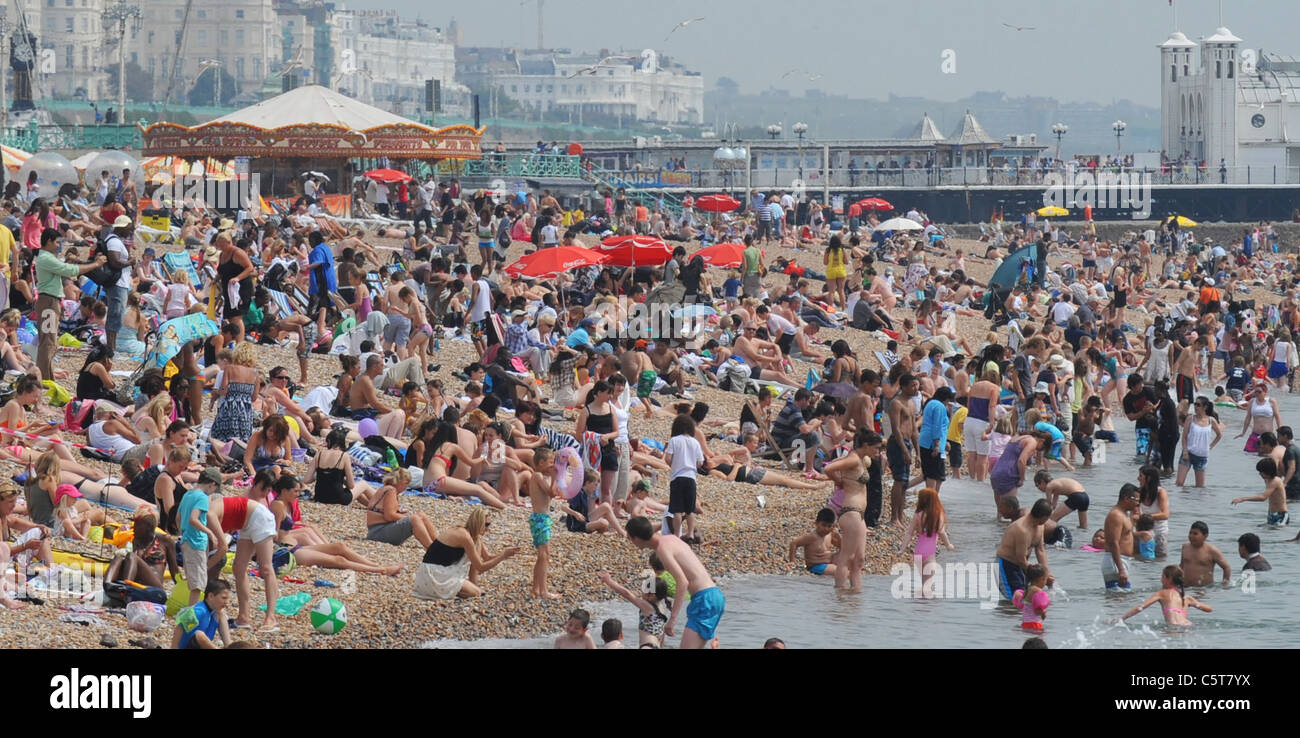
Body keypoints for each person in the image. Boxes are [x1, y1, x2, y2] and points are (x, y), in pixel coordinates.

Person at [625, 515, 725, 649]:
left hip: (704, 600)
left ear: (636, 538)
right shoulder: (671, 538)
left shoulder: (661, 549)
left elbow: (682, 582)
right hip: (714, 595)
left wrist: (672, 619)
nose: (631, 542)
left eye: (629, 538)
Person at [35, 227, 104, 380]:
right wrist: (95, 264)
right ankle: (45, 378)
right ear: (49, 241)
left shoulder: (46, 257)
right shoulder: (46, 257)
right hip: (48, 301)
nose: (59, 245)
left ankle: (48, 373)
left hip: (50, 301)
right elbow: (69, 270)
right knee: (48, 341)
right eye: (57, 242)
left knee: (50, 340)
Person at [413, 508, 519, 600]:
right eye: (486, 524)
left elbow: (487, 558)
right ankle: (470, 588)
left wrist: (506, 555)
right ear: (478, 522)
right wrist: (503, 556)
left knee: (477, 543)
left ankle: (473, 585)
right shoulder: (464, 536)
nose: (488, 528)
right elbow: (481, 567)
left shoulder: (474, 537)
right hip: (434, 574)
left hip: (441, 571)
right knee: (477, 593)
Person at [825, 429, 878, 593]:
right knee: (846, 558)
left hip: (859, 515)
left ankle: (855, 596)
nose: (877, 452)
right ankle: (839, 594)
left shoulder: (861, 460)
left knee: (859, 559)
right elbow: (829, 468)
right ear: (866, 445)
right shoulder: (853, 459)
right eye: (875, 448)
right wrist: (839, 482)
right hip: (850, 511)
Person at [178, 470, 225, 606]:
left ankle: (190, 609)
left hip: (186, 539)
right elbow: (194, 519)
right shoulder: (203, 497)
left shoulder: (188, 494)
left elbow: (178, 518)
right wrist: (210, 533)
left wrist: (183, 532)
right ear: (212, 484)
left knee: (194, 578)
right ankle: (191, 612)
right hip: (196, 541)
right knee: (198, 584)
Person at [995, 498, 1054, 599]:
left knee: (1028, 598)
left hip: (1023, 566)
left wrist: (1047, 574)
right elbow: (1020, 559)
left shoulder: (1040, 526)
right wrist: (1039, 576)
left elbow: (1040, 550)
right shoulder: (1022, 530)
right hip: (1006, 565)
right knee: (1015, 600)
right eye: (1048, 517)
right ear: (1044, 517)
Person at [595, 570, 671, 648]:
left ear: (652, 596)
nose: (641, 592)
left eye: (643, 590)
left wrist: (609, 581)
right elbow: (662, 633)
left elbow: (627, 594)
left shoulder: (647, 607)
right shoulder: (661, 608)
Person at [365, 468, 437, 548]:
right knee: (415, 519)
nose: (406, 488)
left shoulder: (385, 489)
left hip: (376, 530)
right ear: (400, 482)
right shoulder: (391, 490)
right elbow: (389, 516)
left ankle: (438, 544)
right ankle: (431, 548)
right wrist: (407, 517)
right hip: (378, 532)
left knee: (421, 515)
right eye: (406, 484)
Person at [1120, 565, 1211, 627]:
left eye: (1162, 577)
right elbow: (1209, 609)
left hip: (1173, 627)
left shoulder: (1162, 593)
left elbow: (1140, 608)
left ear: (1169, 579)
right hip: (1188, 626)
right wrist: (1194, 604)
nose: (1161, 580)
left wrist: (1121, 619)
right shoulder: (1186, 598)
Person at [904, 488, 954, 594]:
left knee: (923, 583)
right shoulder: (938, 513)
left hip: (918, 553)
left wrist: (902, 548)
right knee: (928, 585)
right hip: (929, 555)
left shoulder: (918, 514)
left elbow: (909, 533)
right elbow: (941, 532)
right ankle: (926, 608)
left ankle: (918, 607)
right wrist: (948, 545)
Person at [886, 374, 920, 525]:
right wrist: (905, 451)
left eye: (917, 385)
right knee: (899, 480)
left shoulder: (912, 403)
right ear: (904, 386)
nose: (916, 388)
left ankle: (901, 515)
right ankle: (894, 517)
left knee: (905, 482)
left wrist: (918, 453)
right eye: (912, 385)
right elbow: (896, 429)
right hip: (897, 443)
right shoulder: (896, 403)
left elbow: (913, 430)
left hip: (908, 442)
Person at [665, 413, 705, 543]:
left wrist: (675, 464)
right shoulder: (695, 442)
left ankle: (677, 535)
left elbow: (668, 458)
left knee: (676, 509)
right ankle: (690, 534)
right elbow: (700, 462)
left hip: (677, 477)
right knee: (690, 509)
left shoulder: (674, 440)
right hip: (691, 478)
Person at [172, 580, 233, 649]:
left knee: (221, 612)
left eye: (228, 599)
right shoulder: (199, 611)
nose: (227, 602)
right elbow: (179, 628)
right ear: (211, 596)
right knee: (199, 634)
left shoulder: (214, 611)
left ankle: (229, 645)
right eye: (224, 598)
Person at [1177, 397, 1223, 487]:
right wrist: (1185, 451)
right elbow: (1184, 437)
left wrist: (1210, 446)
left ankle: (1195, 501)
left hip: (1202, 457)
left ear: (1205, 407)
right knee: (1179, 483)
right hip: (1188, 454)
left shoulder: (1211, 420)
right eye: (1195, 404)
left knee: (1200, 488)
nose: (1195, 407)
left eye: (1198, 405)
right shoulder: (1190, 419)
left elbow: (1219, 435)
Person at [1232, 457, 1289, 527]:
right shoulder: (1267, 480)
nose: (1260, 474)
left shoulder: (1275, 481)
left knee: (1278, 534)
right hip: (1272, 514)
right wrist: (1269, 514)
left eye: (1261, 472)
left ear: (1268, 471)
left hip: (1281, 515)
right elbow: (1272, 500)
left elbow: (1263, 498)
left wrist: (1243, 499)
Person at [787, 508, 841, 577]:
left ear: (833, 526)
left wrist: (839, 537)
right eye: (823, 525)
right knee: (841, 572)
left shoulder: (830, 535)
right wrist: (792, 561)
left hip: (830, 561)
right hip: (816, 566)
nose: (826, 529)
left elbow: (842, 547)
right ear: (816, 523)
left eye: (829, 526)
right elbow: (794, 543)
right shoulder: (812, 537)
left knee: (849, 556)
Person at [918, 386, 953, 491]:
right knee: (933, 475)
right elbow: (937, 426)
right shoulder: (940, 406)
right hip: (932, 443)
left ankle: (931, 499)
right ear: (945, 398)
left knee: (931, 473)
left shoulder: (930, 403)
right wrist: (937, 445)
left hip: (924, 441)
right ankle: (931, 500)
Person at [1179, 521, 1231, 587]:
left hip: (1204, 589)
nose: (1191, 536)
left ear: (1205, 536)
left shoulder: (1212, 551)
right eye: (1190, 533)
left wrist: (1225, 584)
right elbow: (1181, 565)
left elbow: (1226, 567)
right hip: (1186, 587)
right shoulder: (1185, 547)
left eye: (1195, 534)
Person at [1237, 382, 1281, 453]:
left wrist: (1280, 434)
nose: (1257, 393)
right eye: (1255, 392)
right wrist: (1243, 432)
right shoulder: (1252, 401)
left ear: (1265, 392)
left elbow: (1278, 418)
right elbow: (1248, 418)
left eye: (1259, 392)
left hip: (1268, 436)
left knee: (1267, 456)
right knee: (1248, 454)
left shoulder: (1271, 401)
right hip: (1255, 434)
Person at [1011, 565, 1050, 632]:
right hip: (1034, 624)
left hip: (1025, 623)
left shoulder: (1028, 589)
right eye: (1046, 579)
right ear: (1042, 579)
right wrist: (1043, 613)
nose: (1045, 583)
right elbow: (1037, 610)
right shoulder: (1037, 591)